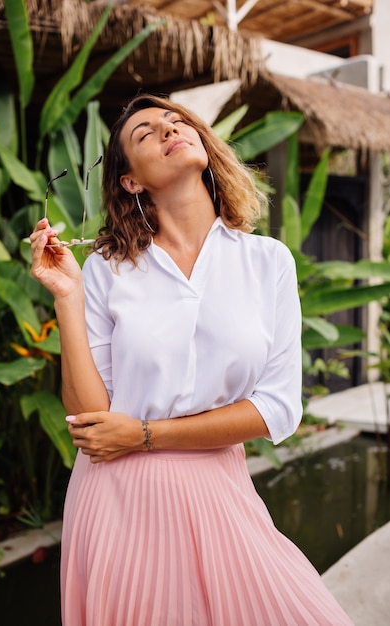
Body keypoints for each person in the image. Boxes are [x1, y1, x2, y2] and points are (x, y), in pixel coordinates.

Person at [30, 94, 353, 626]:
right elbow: (91, 418)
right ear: (131, 181)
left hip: (220, 493)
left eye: (176, 122)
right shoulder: (109, 272)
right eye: (146, 133)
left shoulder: (267, 261)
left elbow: (276, 410)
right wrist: (68, 295)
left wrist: (145, 434)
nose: (168, 130)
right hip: (116, 503)